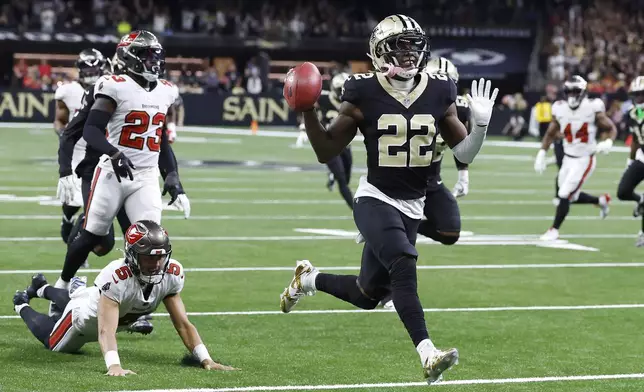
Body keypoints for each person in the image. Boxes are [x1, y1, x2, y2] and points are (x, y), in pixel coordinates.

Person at [279, 15, 498, 384]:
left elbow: (466, 152)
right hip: (376, 197)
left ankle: (308, 278)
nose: (409, 54)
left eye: (414, 45)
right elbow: (326, 149)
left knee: (367, 295)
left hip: (414, 204)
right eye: (400, 45)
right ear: (380, 52)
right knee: (403, 260)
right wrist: (308, 112)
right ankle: (428, 354)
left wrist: (480, 126)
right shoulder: (362, 89)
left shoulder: (439, 89)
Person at [54, 30, 190, 311]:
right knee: (94, 235)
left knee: (149, 240)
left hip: (146, 176)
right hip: (110, 173)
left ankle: (139, 304)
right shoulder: (114, 85)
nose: (154, 61)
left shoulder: (165, 90)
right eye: (147, 55)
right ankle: (62, 287)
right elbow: (90, 130)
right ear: (130, 58)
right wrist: (112, 153)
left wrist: (173, 177)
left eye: (156, 55)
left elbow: (160, 140)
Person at [12, 221, 236, 376]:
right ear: (131, 255)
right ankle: (21, 304)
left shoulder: (172, 274)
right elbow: (105, 330)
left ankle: (41, 288)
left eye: (160, 257)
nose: (156, 264)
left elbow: (183, 324)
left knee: (79, 294)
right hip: (83, 321)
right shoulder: (116, 276)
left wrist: (207, 360)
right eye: (148, 257)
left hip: (100, 300)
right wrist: (114, 365)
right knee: (54, 343)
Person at [379, 56, 471, 310]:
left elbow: (461, 145)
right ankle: (389, 293)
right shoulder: (406, 104)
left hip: (432, 181)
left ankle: (394, 227)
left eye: (448, 82)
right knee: (404, 251)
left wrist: (463, 173)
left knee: (450, 231)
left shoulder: (461, 109)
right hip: (402, 181)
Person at [534, 75, 616, 240]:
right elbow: (551, 132)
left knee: (565, 193)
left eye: (575, 91)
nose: (572, 95)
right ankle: (601, 201)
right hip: (568, 158)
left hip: (585, 159)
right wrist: (541, 153)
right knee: (571, 195)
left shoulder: (592, 107)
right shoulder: (560, 108)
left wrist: (609, 141)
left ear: (583, 92)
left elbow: (611, 127)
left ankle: (553, 230)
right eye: (568, 91)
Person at [55, 49, 109, 244]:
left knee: (93, 204)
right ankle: (68, 218)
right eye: (87, 67)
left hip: (103, 151)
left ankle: (80, 243)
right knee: (72, 201)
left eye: (95, 67)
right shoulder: (69, 91)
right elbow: (60, 121)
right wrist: (65, 137)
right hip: (76, 151)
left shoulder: (112, 87)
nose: (91, 72)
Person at [319, 72, 354, 209]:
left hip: (346, 145)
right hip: (329, 146)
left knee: (346, 178)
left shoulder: (352, 104)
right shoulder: (324, 99)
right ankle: (355, 210)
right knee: (342, 181)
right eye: (341, 89)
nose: (343, 93)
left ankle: (332, 175)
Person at [617, 76, 644, 246]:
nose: (639, 99)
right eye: (636, 95)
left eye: (642, 95)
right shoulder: (633, 113)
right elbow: (635, 138)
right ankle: (641, 200)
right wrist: (630, 160)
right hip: (642, 157)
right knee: (623, 191)